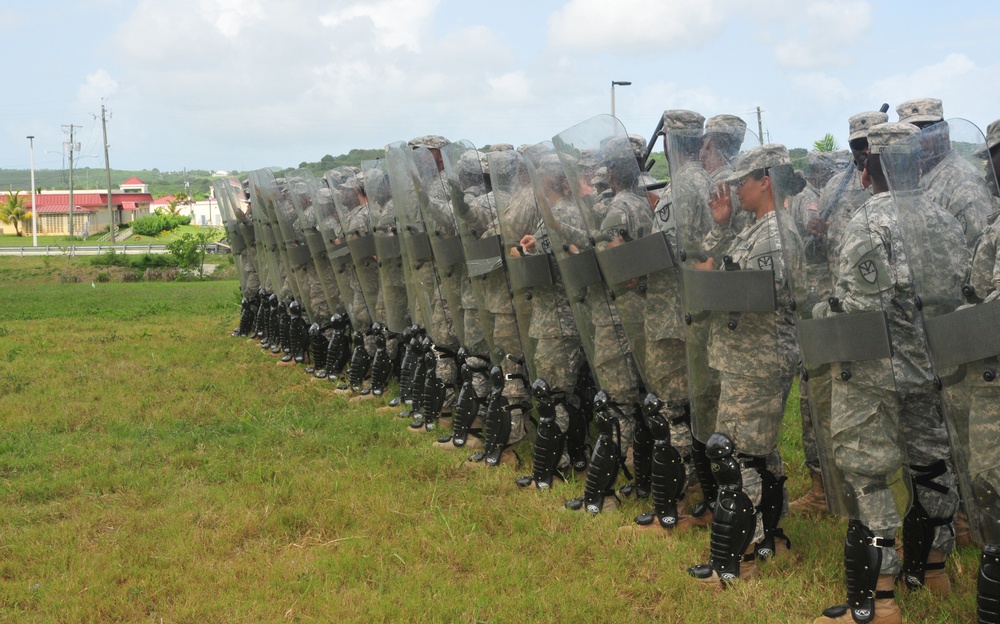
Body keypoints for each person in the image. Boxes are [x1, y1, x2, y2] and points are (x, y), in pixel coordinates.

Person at [813, 122, 967, 624]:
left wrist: (819, 313)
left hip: (876, 375)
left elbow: (858, 312)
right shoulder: (944, 220)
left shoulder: (869, 223)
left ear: (869, 166)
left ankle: (877, 602)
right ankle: (934, 569)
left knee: (869, 474)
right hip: (931, 369)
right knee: (932, 466)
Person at [686, 144, 800, 588]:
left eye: (742, 181)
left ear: (765, 182)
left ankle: (739, 561)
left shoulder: (774, 234)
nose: (735, 189)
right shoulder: (755, 228)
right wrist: (719, 226)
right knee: (759, 453)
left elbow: (752, 293)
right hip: (746, 358)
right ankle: (772, 538)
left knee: (735, 456)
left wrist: (708, 285)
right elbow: (714, 261)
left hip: (757, 361)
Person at [791, 110, 887, 515]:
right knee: (817, 400)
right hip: (834, 309)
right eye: (855, 148)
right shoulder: (833, 185)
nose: (860, 156)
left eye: (866, 148)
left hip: (879, 317)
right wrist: (814, 232)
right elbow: (816, 253)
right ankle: (823, 488)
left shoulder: (888, 184)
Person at [896, 98, 991, 249]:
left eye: (925, 128)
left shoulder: (964, 181)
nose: (918, 138)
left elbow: (978, 252)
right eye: (909, 133)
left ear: (944, 131)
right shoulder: (914, 178)